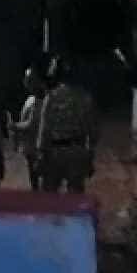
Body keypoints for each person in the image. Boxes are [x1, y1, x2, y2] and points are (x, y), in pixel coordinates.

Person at [36, 55, 97, 193]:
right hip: (76, 151)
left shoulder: (51, 97)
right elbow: (93, 130)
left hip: (54, 152)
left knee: (49, 196)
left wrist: (40, 154)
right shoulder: (84, 97)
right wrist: (89, 155)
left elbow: (44, 129)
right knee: (75, 197)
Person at [14, 66, 46, 191]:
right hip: (34, 145)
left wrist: (15, 126)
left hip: (37, 146)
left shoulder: (37, 100)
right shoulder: (32, 99)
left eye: (28, 79)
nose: (25, 81)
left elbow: (31, 124)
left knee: (37, 179)